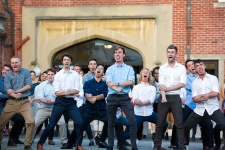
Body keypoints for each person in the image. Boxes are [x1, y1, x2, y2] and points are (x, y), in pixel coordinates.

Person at [37, 53, 84, 150]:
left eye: (68, 60)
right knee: (52, 124)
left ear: (70, 62)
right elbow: (57, 93)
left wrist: (67, 92)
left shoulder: (75, 75)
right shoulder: (57, 75)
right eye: (65, 59)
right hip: (60, 102)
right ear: (62, 62)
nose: (66, 61)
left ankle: (78, 145)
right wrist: (69, 92)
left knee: (80, 122)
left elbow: (77, 90)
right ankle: (40, 144)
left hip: (71, 103)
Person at [184, 59, 225, 150]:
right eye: (197, 66)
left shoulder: (213, 78)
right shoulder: (195, 82)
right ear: (195, 69)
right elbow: (194, 99)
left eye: (201, 65)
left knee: (224, 125)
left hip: (213, 108)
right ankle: (185, 146)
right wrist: (207, 96)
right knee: (186, 127)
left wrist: (204, 96)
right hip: (200, 109)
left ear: (204, 66)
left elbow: (215, 93)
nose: (200, 67)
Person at [153, 44, 187, 150]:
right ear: (167, 54)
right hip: (164, 97)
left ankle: (182, 147)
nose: (170, 54)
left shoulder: (181, 68)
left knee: (179, 123)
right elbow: (162, 85)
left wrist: (168, 89)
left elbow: (182, 84)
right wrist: (163, 96)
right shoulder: (162, 68)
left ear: (176, 54)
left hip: (176, 97)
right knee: (160, 122)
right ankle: (157, 146)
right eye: (169, 52)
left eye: (172, 52)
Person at [106, 46, 138, 150]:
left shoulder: (129, 68)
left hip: (124, 97)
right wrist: (117, 89)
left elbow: (131, 81)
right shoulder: (110, 69)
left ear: (123, 55)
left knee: (132, 121)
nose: (117, 54)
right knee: (110, 122)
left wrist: (118, 84)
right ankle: (110, 145)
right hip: (112, 97)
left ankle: (134, 146)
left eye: (119, 52)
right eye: (115, 52)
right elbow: (109, 83)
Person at [0, 56, 35, 150]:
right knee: (0, 124)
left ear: (20, 63)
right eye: (13, 63)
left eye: (16, 62)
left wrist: (18, 92)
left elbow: (29, 85)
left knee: (31, 122)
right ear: (11, 64)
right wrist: (14, 95)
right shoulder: (8, 75)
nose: (14, 64)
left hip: (24, 102)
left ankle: (27, 145)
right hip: (11, 102)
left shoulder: (26, 72)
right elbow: (7, 89)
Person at [133, 68, 168, 146]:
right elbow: (134, 99)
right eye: (144, 72)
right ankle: (121, 140)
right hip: (138, 114)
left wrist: (141, 102)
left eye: (147, 73)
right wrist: (137, 101)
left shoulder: (152, 88)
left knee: (164, 123)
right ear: (141, 75)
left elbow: (151, 100)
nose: (145, 73)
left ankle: (156, 140)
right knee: (130, 132)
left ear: (149, 76)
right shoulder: (136, 87)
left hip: (149, 113)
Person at [33, 68, 67, 146]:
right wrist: (50, 100)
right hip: (43, 108)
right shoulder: (41, 85)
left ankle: (64, 141)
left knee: (62, 123)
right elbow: (40, 98)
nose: (50, 76)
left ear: (55, 75)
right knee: (34, 123)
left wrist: (49, 100)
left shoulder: (59, 85)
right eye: (49, 74)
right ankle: (29, 141)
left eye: (52, 74)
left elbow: (61, 97)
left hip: (56, 108)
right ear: (47, 76)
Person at [0, 64, 25, 146]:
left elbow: (17, 93)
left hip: (12, 105)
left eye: (7, 70)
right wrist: (9, 94)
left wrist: (4, 94)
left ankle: (13, 139)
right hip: (1, 106)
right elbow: (11, 94)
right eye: (4, 69)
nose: (5, 71)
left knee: (20, 120)